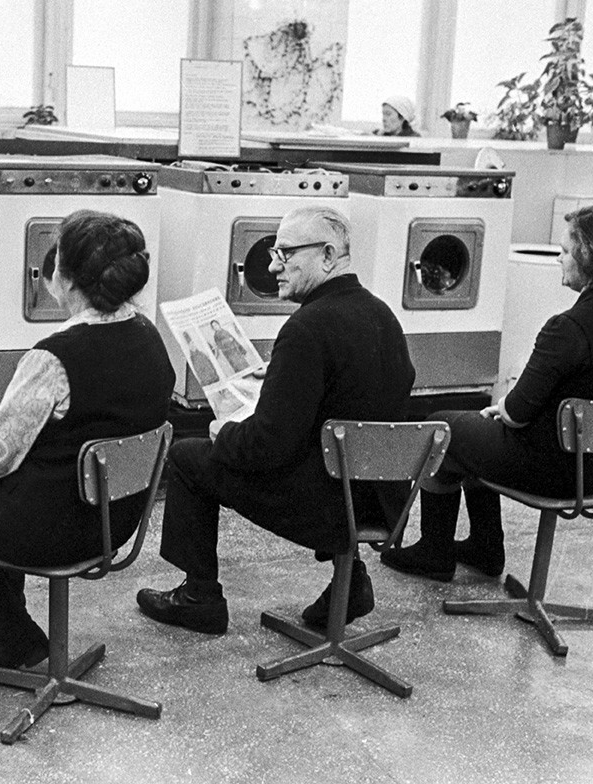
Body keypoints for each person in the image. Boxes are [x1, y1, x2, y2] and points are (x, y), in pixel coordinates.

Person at [136, 206, 416, 634]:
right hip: (379, 500)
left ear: (327, 255)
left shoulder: (306, 329)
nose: (271, 266)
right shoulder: (381, 315)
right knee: (331, 451)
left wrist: (223, 432)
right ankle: (350, 579)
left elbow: (267, 446)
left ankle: (199, 598)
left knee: (190, 457)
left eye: (285, 254)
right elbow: (359, 400)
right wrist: (287, 375)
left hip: (328, 508)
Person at [0, 210, 174, 669]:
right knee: (5, 489)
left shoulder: (52, 358)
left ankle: (18, 635)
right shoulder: (149, 335)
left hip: (55, 530)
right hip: (118, 518)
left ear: (64, 279)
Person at [381, 204, 593, 582]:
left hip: (551, 466)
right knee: (474, 435)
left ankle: (436, 551)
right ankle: (484, 547)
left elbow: (517, 412)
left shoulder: (568, 328)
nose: (559, 260)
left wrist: (499, 410)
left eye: (565, 252)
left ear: (591, 257)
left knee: (442, 427)